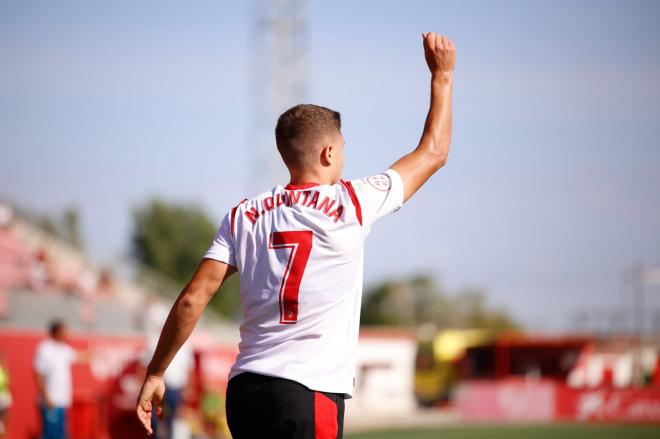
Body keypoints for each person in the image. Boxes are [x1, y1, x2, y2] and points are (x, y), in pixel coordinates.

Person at [137, 32, 455, 438]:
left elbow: (191, 299)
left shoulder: (242, 215)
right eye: (342, 146)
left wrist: (156, 371)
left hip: (245, 392)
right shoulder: (352, 202)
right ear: (328, 153)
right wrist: (441, 76)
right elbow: (434, 152)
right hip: (308, 391)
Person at [33, 321, 85, 439]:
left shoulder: (64, 349)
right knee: (50, 434)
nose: (67, 333)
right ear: (56, 332)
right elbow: (38, 374)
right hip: (51, 401)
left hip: (62, 401)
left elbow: (79, 356)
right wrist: (46, 397)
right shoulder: (45, 349)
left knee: (61, 434)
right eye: (64, 330)